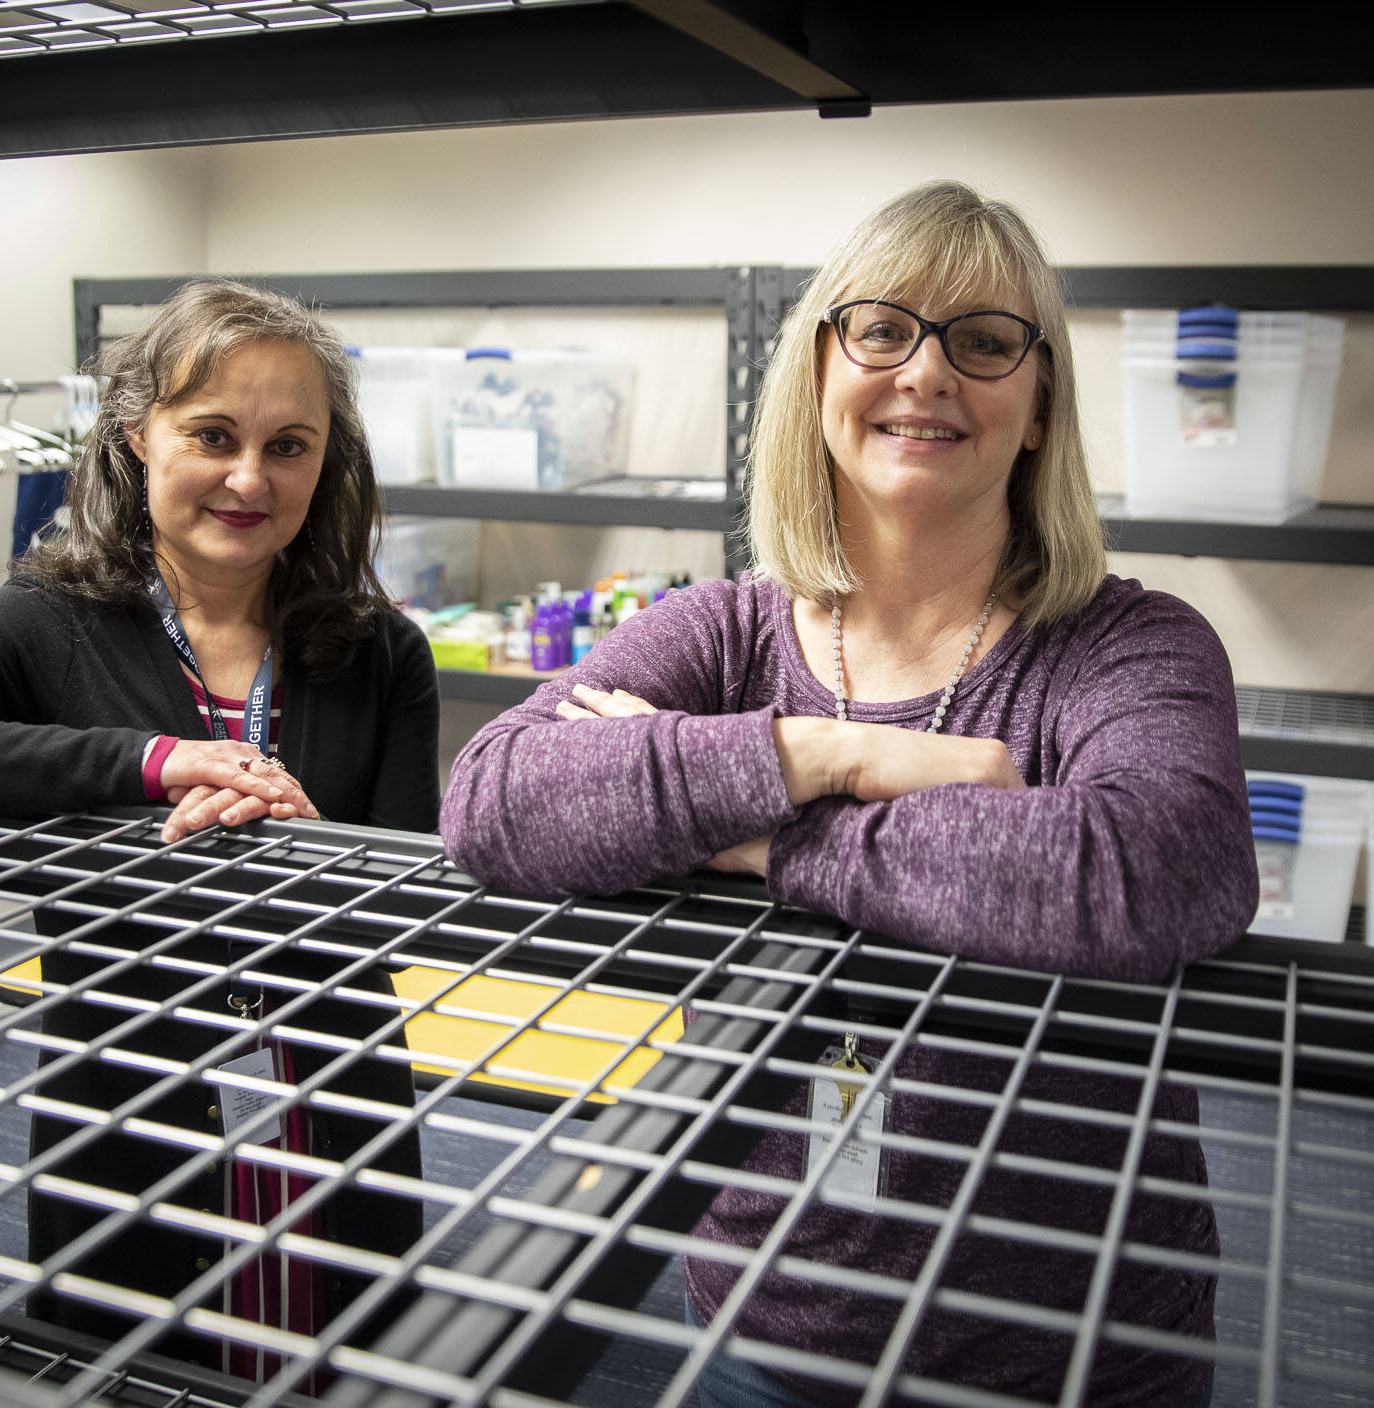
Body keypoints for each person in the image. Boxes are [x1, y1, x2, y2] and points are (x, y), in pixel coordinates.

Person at [440, 184, 1254, 1406]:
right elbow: (494, 798)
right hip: (766, 1319)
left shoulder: (1127, 645)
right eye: (881, 330)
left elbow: (1150, 868)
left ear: (1037, 408)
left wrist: (755, 833)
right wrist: (832, 754)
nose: (925, 372)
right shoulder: (719, 632)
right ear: (817, 373)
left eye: (982, 341)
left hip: (1073, 1350)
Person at [0, 278, 440, 1368]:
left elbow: (409, 905)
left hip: (336, 1101)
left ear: (327, 465)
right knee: (132, 1369)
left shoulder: (379, 650)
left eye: (288, 446)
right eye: (212, 434)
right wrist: (146, 762)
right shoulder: (44, 622)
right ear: (138, 437)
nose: (247, 477)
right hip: (125, 1105)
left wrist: (311, 842)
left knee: (352, 1363)